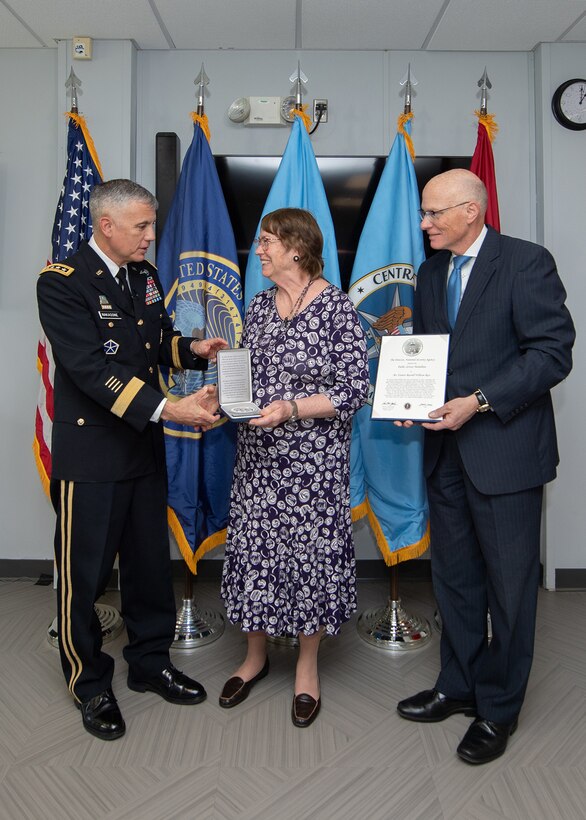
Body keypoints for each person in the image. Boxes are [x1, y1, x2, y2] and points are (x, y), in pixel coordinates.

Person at [37, 179, 228, 741]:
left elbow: (153, 341)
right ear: (106, 226)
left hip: (143, 451)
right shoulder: (62, 283)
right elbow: (92, 371)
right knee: (84, 577)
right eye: (143, 226)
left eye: (152, 224)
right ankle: (89, 682)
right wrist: (172, 408)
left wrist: (191, 349)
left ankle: (150, 664)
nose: (152, 235)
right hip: (92, 454)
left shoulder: (142, 275)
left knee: (148, 569)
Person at [395, 170, 575, 764]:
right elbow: (428, 351)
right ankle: (458, 683)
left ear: (472, 211)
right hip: (444, 451)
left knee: (510, 588)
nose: (425, 224)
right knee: (455, 581)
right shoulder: (429, 271)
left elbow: (551, 352)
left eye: (434, 214)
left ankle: (499, 709)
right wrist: (408, 402)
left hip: (504, 452)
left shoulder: (526, 263)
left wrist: (480, 401)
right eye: (424, 214)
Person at [219, 208, 369, 727]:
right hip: (258, 460)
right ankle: (255, 657)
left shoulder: (336, 309)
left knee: (309, 558)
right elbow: (246, 379)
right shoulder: (257, 307)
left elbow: (354, 390)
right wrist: (223, 396)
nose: (257, 250)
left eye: (266, 242)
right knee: (256, 553)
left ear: (296, 248)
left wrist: (293, 408)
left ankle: (307, 666)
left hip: (314, 466)